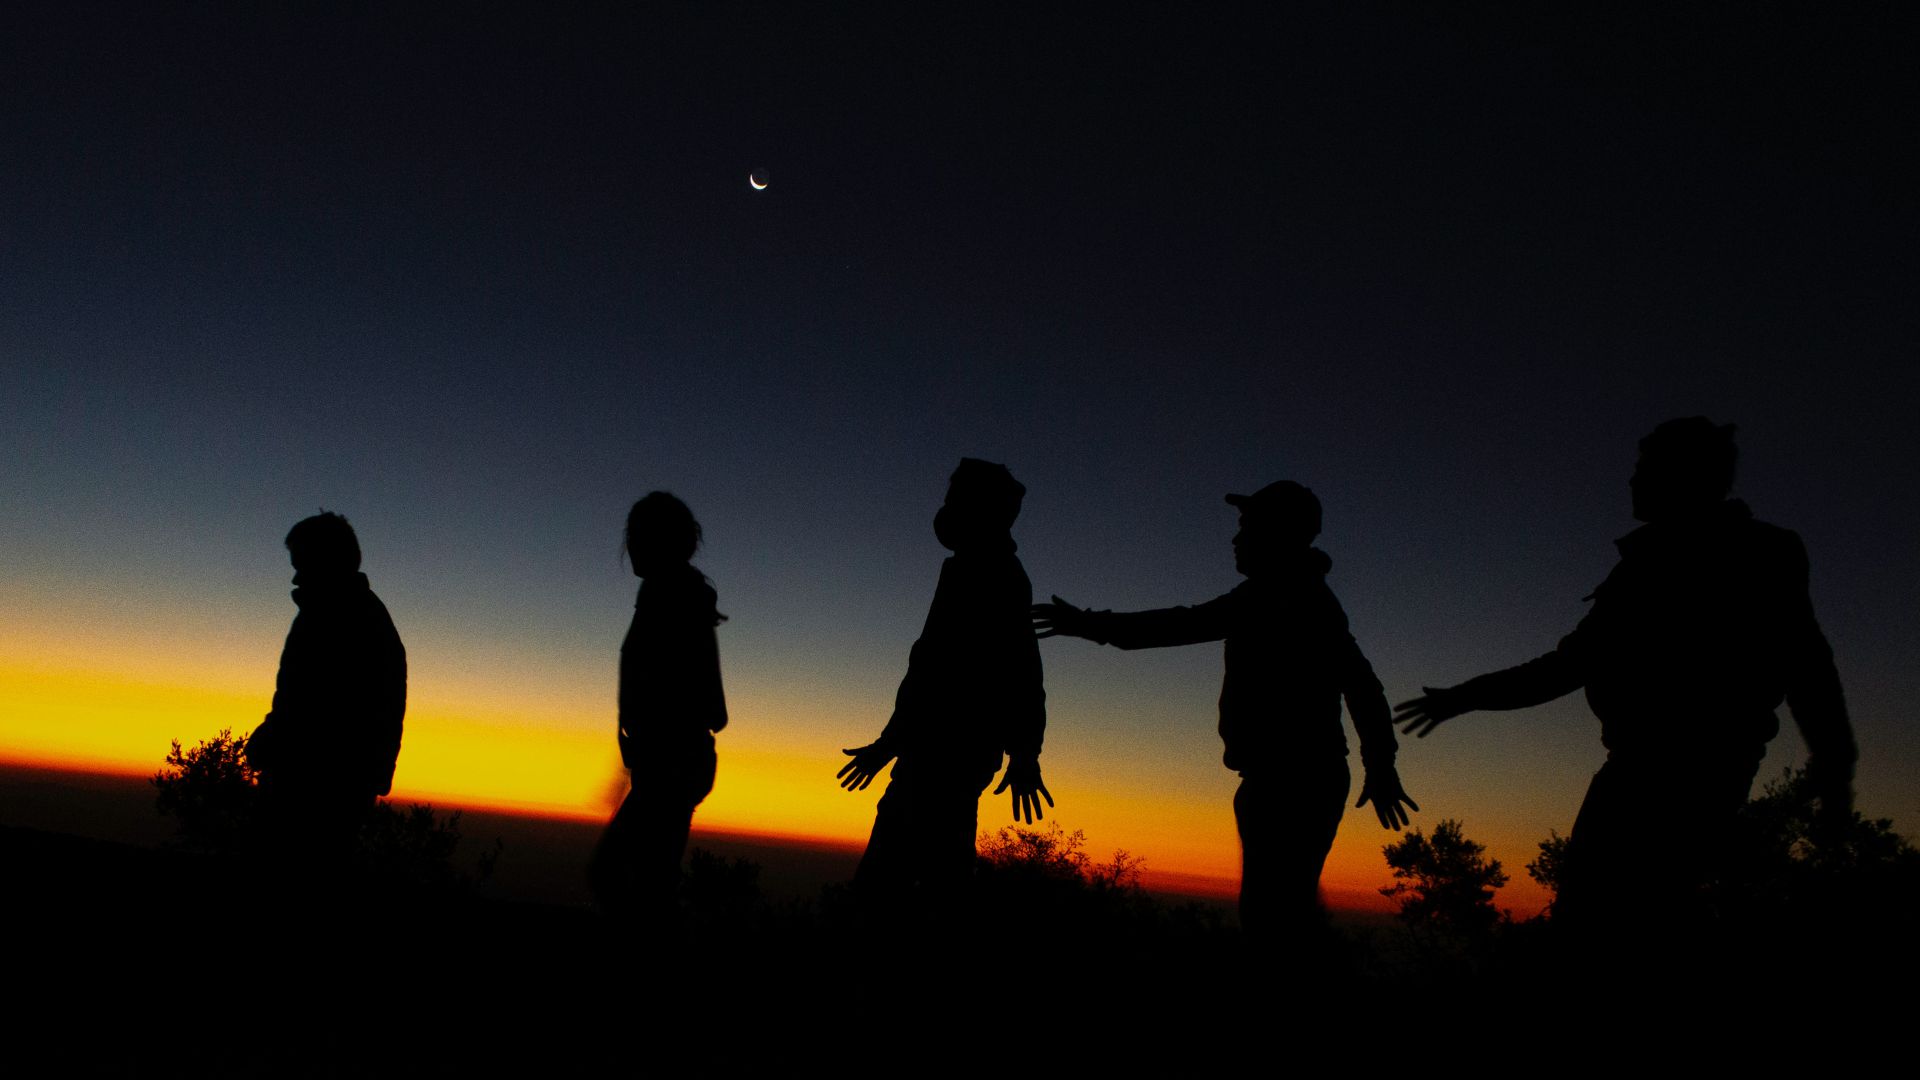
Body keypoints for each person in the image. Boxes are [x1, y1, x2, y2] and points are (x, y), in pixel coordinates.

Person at [1393, 418, 1856, 938]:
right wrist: (1465, 697)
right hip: (1651, 769)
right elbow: (1573, 663)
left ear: (1683, 477)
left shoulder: (1756, 552)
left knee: (1612, 922)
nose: (1632, 484)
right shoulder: (1647, 564)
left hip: (1683, 776)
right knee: (1626, 917)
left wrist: (1836, 766)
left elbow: (1806, 662)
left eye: (1645, 472)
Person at [1033, 481, 1415, 938]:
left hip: (1292, 781)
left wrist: (1381, 763)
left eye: (1247, 528)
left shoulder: (1287, 598)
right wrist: (1379, 764)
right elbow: (1361, 684)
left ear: (1278, 534)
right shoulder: (1284, 594)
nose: (1236, 540)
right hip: (1292, 778)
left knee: (1274, 919)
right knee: (1283, 912)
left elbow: (1181, 625)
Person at [837, 459, 1052, 903]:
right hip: (939, 754)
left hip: (948, 756)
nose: (946, 509)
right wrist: (890, 743)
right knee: (935, 878)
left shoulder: (997, 576)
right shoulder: (967, 567)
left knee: (888, 890)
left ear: (979, 509)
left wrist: (1025, 752)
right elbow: (930, 669)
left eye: (955, 500)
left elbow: (1018, 671)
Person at [588, 492, 729, 921]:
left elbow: (710, 709)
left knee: (623, 876)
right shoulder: (670, 594)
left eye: (637, 535)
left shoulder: (673, 598)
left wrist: (654, 732)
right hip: (671, 766)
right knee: (648, 881)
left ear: (658, 540)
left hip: (672, 768)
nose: (629, 545)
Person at [249, 512, 407, 852]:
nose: (295, 576)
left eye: (302, 563)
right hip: (331, 783)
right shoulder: (344, 613)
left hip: (315, 787)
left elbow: (316, 706)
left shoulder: (342, 618)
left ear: (327, 560)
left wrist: (272, 742)